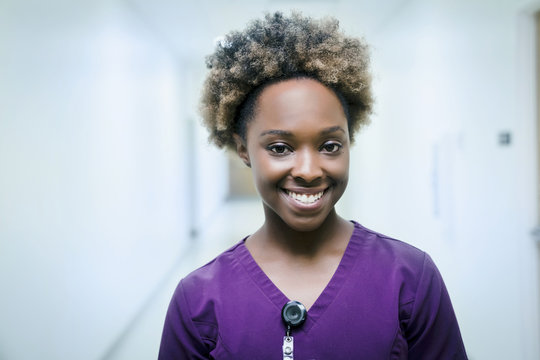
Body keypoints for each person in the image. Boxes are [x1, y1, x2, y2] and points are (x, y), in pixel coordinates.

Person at [159, 11, 467, 359]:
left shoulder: (410, 279)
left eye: (330, 146)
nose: (308, 170)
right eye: (280, 148)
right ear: (244, 148)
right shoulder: (198, 301)